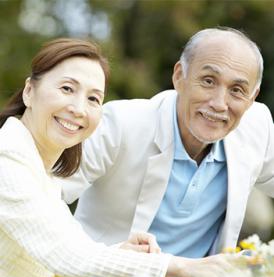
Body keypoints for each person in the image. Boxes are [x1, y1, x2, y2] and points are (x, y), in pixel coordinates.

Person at [0, 38, 231, 277]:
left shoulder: (42, 170)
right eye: (67, 88)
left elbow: (73, 249)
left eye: (93, 98)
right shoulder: (6, 158)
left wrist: (122, 253)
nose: (78, 109)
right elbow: (65, 255)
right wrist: (179, 267)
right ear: (29, 91)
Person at [62, 27, 274, 258]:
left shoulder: (256, 126)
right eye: (208, 81)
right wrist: (104, 255)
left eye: (237, 90)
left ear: (252, 97)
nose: (219, 103)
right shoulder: (120, 124)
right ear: (179, 76)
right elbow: (44, 195)